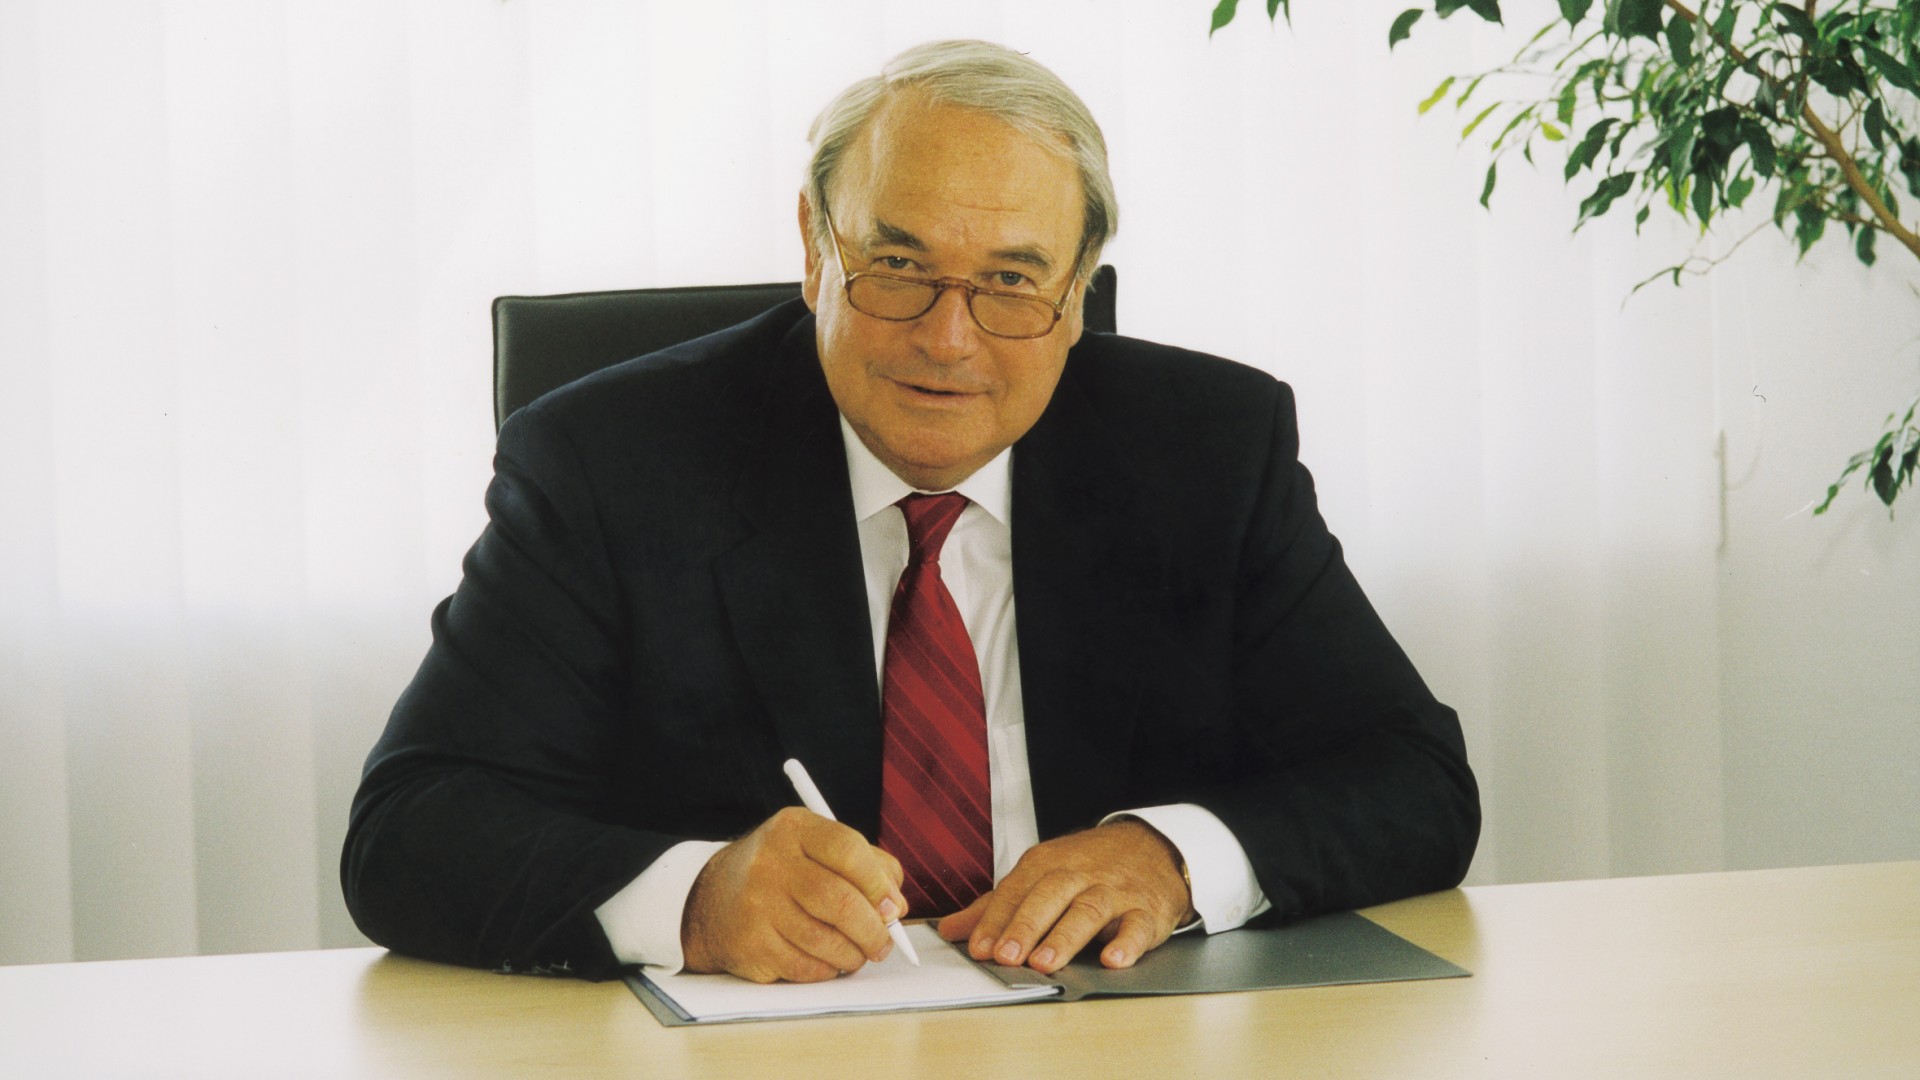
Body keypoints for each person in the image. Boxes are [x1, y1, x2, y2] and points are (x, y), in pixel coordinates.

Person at [342, 39, 1479, 985]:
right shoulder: (613, 463)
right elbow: (409, 830)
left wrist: (1174, 859)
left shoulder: (1207, 450)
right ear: (812, 248)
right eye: (897, 264)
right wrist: (694, 900)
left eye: (1012, 281)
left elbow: (1414, 778)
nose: (949, 337)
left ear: (1078, 293)